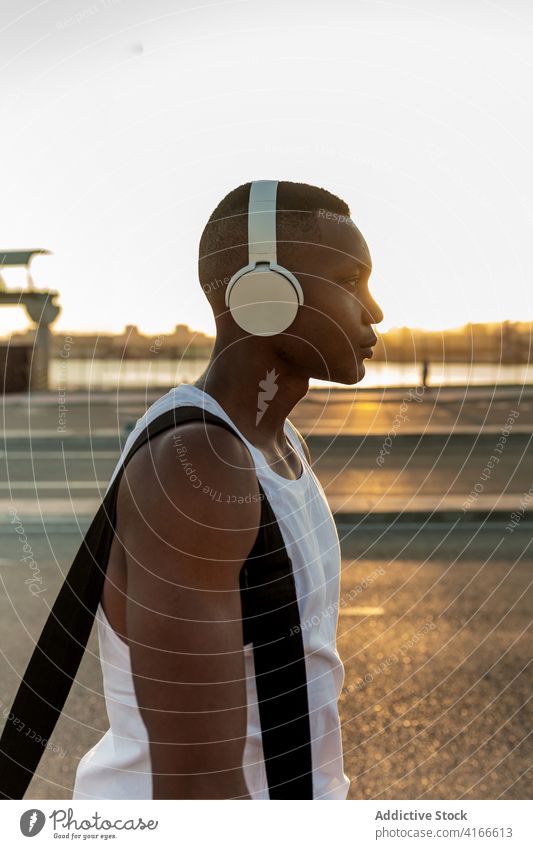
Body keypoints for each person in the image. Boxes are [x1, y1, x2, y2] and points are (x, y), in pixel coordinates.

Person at [72, 180, 384, 800]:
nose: (373, 310)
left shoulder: (277, 443)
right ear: (265, 294)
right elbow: (197, 788)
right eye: (351, 281)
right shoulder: (201, 466)